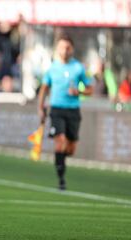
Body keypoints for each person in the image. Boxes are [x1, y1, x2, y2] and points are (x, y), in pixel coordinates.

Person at [38, 34, 93, 190]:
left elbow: (90, 89)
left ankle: (60, 159)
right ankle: (61, 179)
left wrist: (80, 92)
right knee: (60, 142)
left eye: (67, 47)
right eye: (62, 47)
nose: (64, 50)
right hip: (56, 109)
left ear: (72, 49)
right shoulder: (52, 68)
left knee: (70, 148)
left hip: (73, 111)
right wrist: (40, 108)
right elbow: (44, 88)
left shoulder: (78, 68)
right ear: (57, 49)